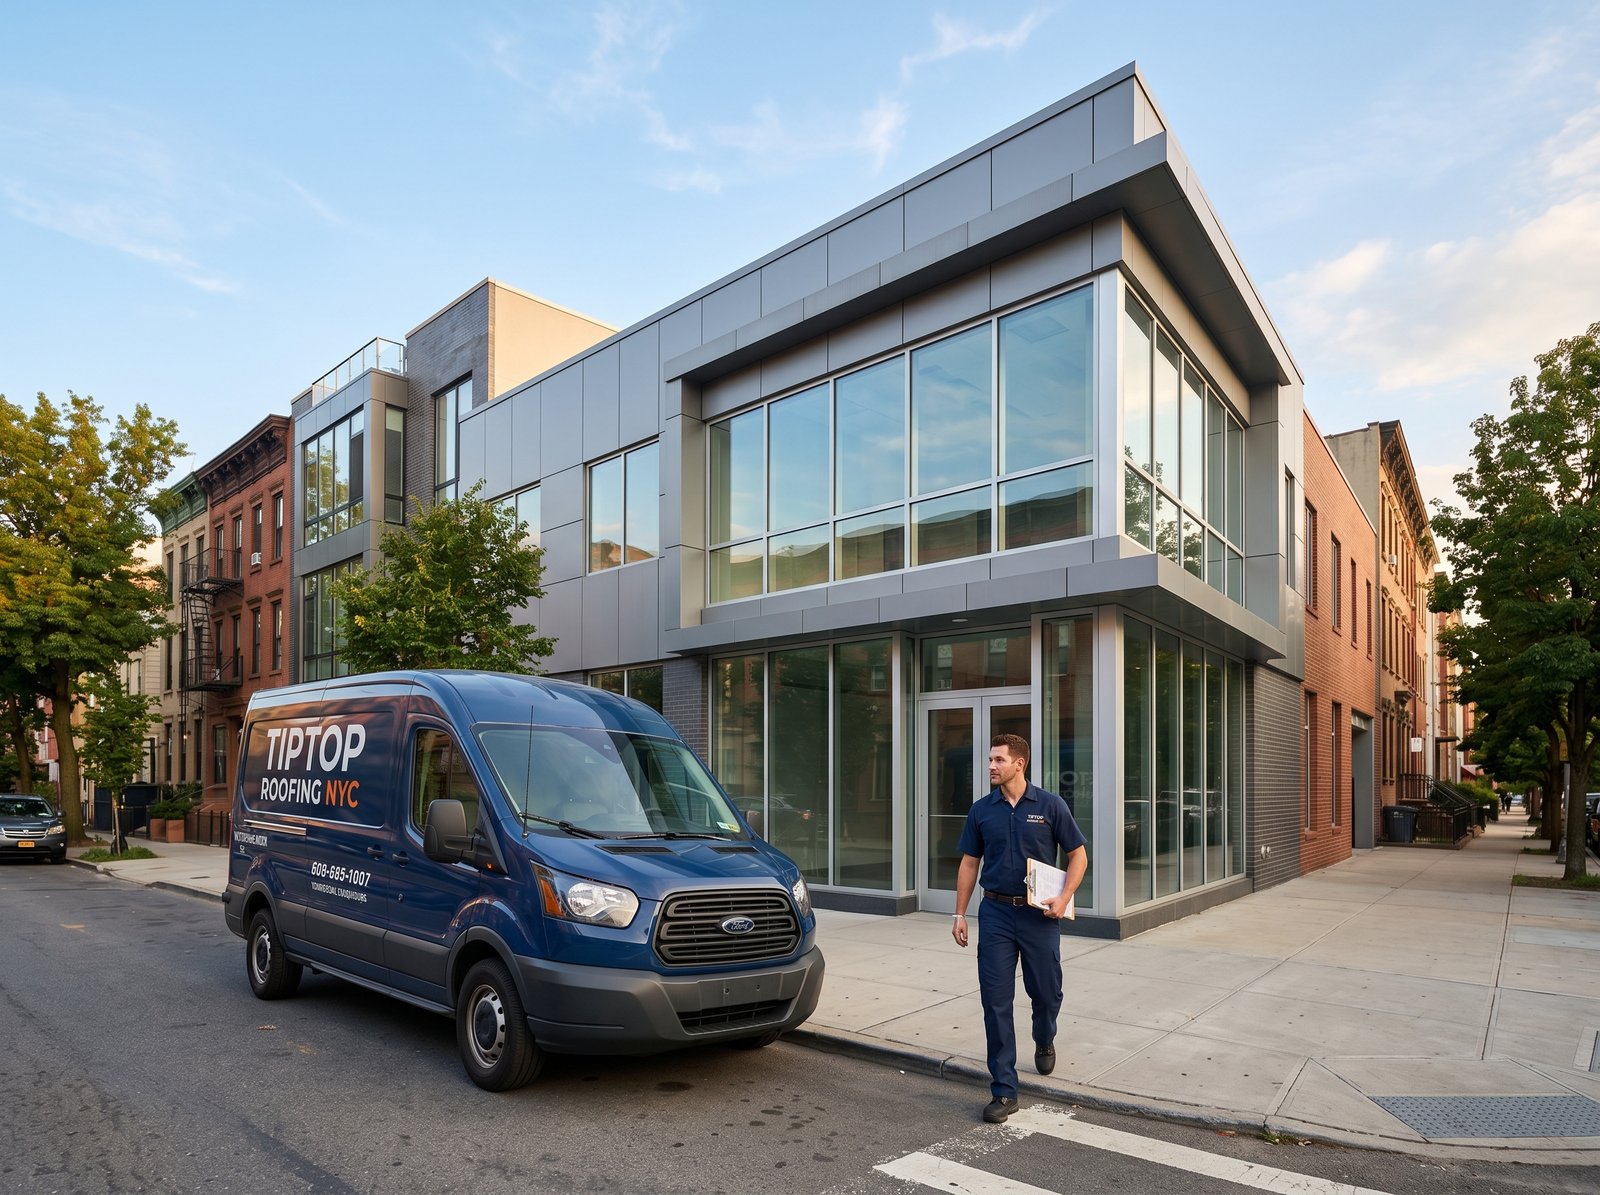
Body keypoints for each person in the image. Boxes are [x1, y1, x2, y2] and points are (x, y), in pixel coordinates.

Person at [951, 733, 1087, 1123]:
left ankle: (1044, 1036)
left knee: (1046, 992)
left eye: (998, 760)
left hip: (1038, 916)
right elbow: (968, 864)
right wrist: (960, 914)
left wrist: (1063, 898)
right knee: (995, 1002)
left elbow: (1078, 855)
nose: (991, 766)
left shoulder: (1049, 806)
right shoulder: (981, 810)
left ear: (1019, 764)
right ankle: (1004, 1090)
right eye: (990, 760)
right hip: (994, 914)